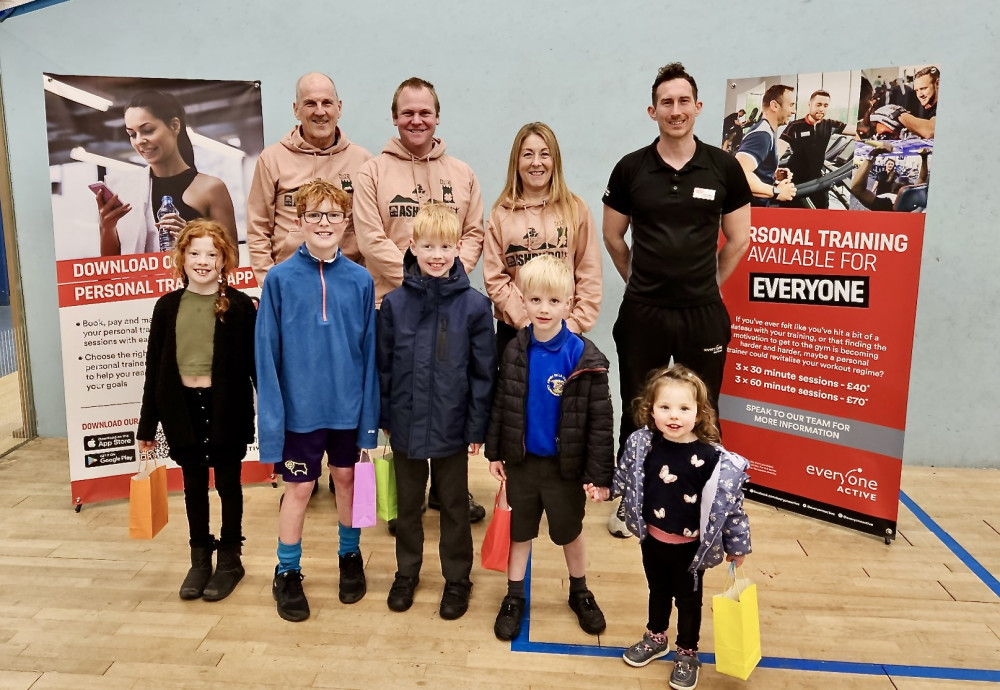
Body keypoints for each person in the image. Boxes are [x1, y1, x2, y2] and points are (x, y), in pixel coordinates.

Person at [602, 62, 752, 536]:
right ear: (653, 110)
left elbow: (739, 240)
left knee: (701, 409)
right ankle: (631, 500)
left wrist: (706, 285)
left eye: (683, 101)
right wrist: (640, 283)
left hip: (702, 314)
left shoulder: (723, 167)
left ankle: (706, 502)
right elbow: (614, 239)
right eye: (666, 102)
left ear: (698, 107)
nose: (675, 110)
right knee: (639, 405)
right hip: (643, 312)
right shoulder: (630, 168)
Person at [354, 76, 487, 525]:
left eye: (424, 112)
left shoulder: (463, 174)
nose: (416, 120)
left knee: (450, 392)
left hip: (452, 306)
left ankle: (450, 493)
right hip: (394, 305)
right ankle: (404, 498)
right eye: (407, 112)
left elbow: (472, 233)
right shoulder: (372, 172)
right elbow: (371, 239)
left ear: (437, 116)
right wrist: (414, 282)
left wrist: (450, 275)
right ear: (395, 118)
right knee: (403, 393)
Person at [255, 179, 378, 622]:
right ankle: (287, 571)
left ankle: (350, 557)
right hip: (299, 414)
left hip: (347, 410)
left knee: (347, 482)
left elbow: (369, 358)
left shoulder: (361, 280)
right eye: (314, 215)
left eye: (333, 215)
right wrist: (272, 425)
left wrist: (369, 420)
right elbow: (266, 358)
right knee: (300, 489)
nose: (323, 223)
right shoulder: (280, 279)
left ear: (346, 223)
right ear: (299, 221)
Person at [377, 202, 496, 620]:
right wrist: (385, 419)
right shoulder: (393, 305)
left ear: (458, 249)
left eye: (446, 246)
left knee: (454, 506)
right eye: (428, 245)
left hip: (452, 426)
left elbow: (484, 374)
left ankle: (457, 579)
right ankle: (406, 573)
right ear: (412, 246)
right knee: (407, 507)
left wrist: (476, 426)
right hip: (406, 424)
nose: (437, 255)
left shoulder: (476, 308)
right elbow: (385, 368)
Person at [485, 254, 614, 641]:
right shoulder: (514, 350)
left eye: (554, 301)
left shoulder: (583, 357)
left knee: (569, 533)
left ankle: (580, 591)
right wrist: (495, 451)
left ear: (570, 303)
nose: (544, 309)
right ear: (522, 300)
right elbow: (501, 403)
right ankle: (513, 596)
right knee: (519, 533)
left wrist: (598, 476)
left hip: (565, 470)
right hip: (522, 464)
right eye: (536, 300)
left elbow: (600, 423)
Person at [137, 219, 257, 602]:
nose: (203, 261)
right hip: (181, 411)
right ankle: (200, 558)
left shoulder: (239, 306)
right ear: (181, 257)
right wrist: (146, 427)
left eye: (212, 254)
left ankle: (230, 559)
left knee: (227, 484)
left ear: (224, 260)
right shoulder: (167, 307)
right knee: (193, 487)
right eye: (194, 253)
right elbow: (154, 368)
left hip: (227, 410)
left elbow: (257, 368)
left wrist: (274, 416)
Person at [613, 365, 751, 690]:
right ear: (651, 409)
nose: (673, 416)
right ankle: (656, 636)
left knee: (688, 602)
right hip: (652, 541)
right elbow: (624, 476)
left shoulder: (710, 458)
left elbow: (731, 507)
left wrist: (738, 545)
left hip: (690, 550)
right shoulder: (643, 445)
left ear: (699, 413)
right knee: (657, 591)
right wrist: (606, 490)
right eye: (665, 407)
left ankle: (687, 651)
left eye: (684, 408)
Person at [484, 122, 602, 358]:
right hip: (515, 333)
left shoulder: (575, 209)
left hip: (566, 332)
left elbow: (589, 274)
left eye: (544, 154)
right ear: (516, 162)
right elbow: (495, 278)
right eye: (528, 154)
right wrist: (526, 321)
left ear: (554, 161)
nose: (536, 162)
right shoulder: (500, 214)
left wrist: (573, 325)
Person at [247, 72, 373, 287]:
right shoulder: (272, 159)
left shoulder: (363, 161)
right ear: (296, 109)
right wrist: (268, 283)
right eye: (310, 103)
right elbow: (258, 228)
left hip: (346, 281)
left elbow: (372, 229)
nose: (320, 111)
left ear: (339, 107)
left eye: (327, 103)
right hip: (290, 282)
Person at [97, 90, 237, 256]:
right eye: (132, 134)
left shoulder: (211, 189)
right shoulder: (126, 190)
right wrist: (107, 227)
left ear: (174, 126)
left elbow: (232, 261)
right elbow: (110, 268)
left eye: (148, 130)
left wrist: (191, 241)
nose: (139, 140)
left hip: (191, 282)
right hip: (142, 282)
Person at [778, 90, 856, 209]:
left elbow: (857, 130)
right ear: (810, 105)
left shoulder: (830, 125)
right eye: (818, 105)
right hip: (795, 178)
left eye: (825, 106)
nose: (822, 109)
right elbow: (780, 148)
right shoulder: (795, 126)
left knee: (821, 213)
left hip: (816, 178)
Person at [736, 83, 797, 205]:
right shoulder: (762, 135)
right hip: (751, 213)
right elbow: (738, 174)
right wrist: (777, 191)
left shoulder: (767, 131)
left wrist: (771, 173)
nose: (794, 111)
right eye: (791, 105)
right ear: (774, 105)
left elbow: (752, 170)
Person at [849, 143, 930, 212]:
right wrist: (924, 157)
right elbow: (922, 179)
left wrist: (873, 154)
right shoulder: (914, 203)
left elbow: (857, 190)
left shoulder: (886, 204)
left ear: (894, 187)